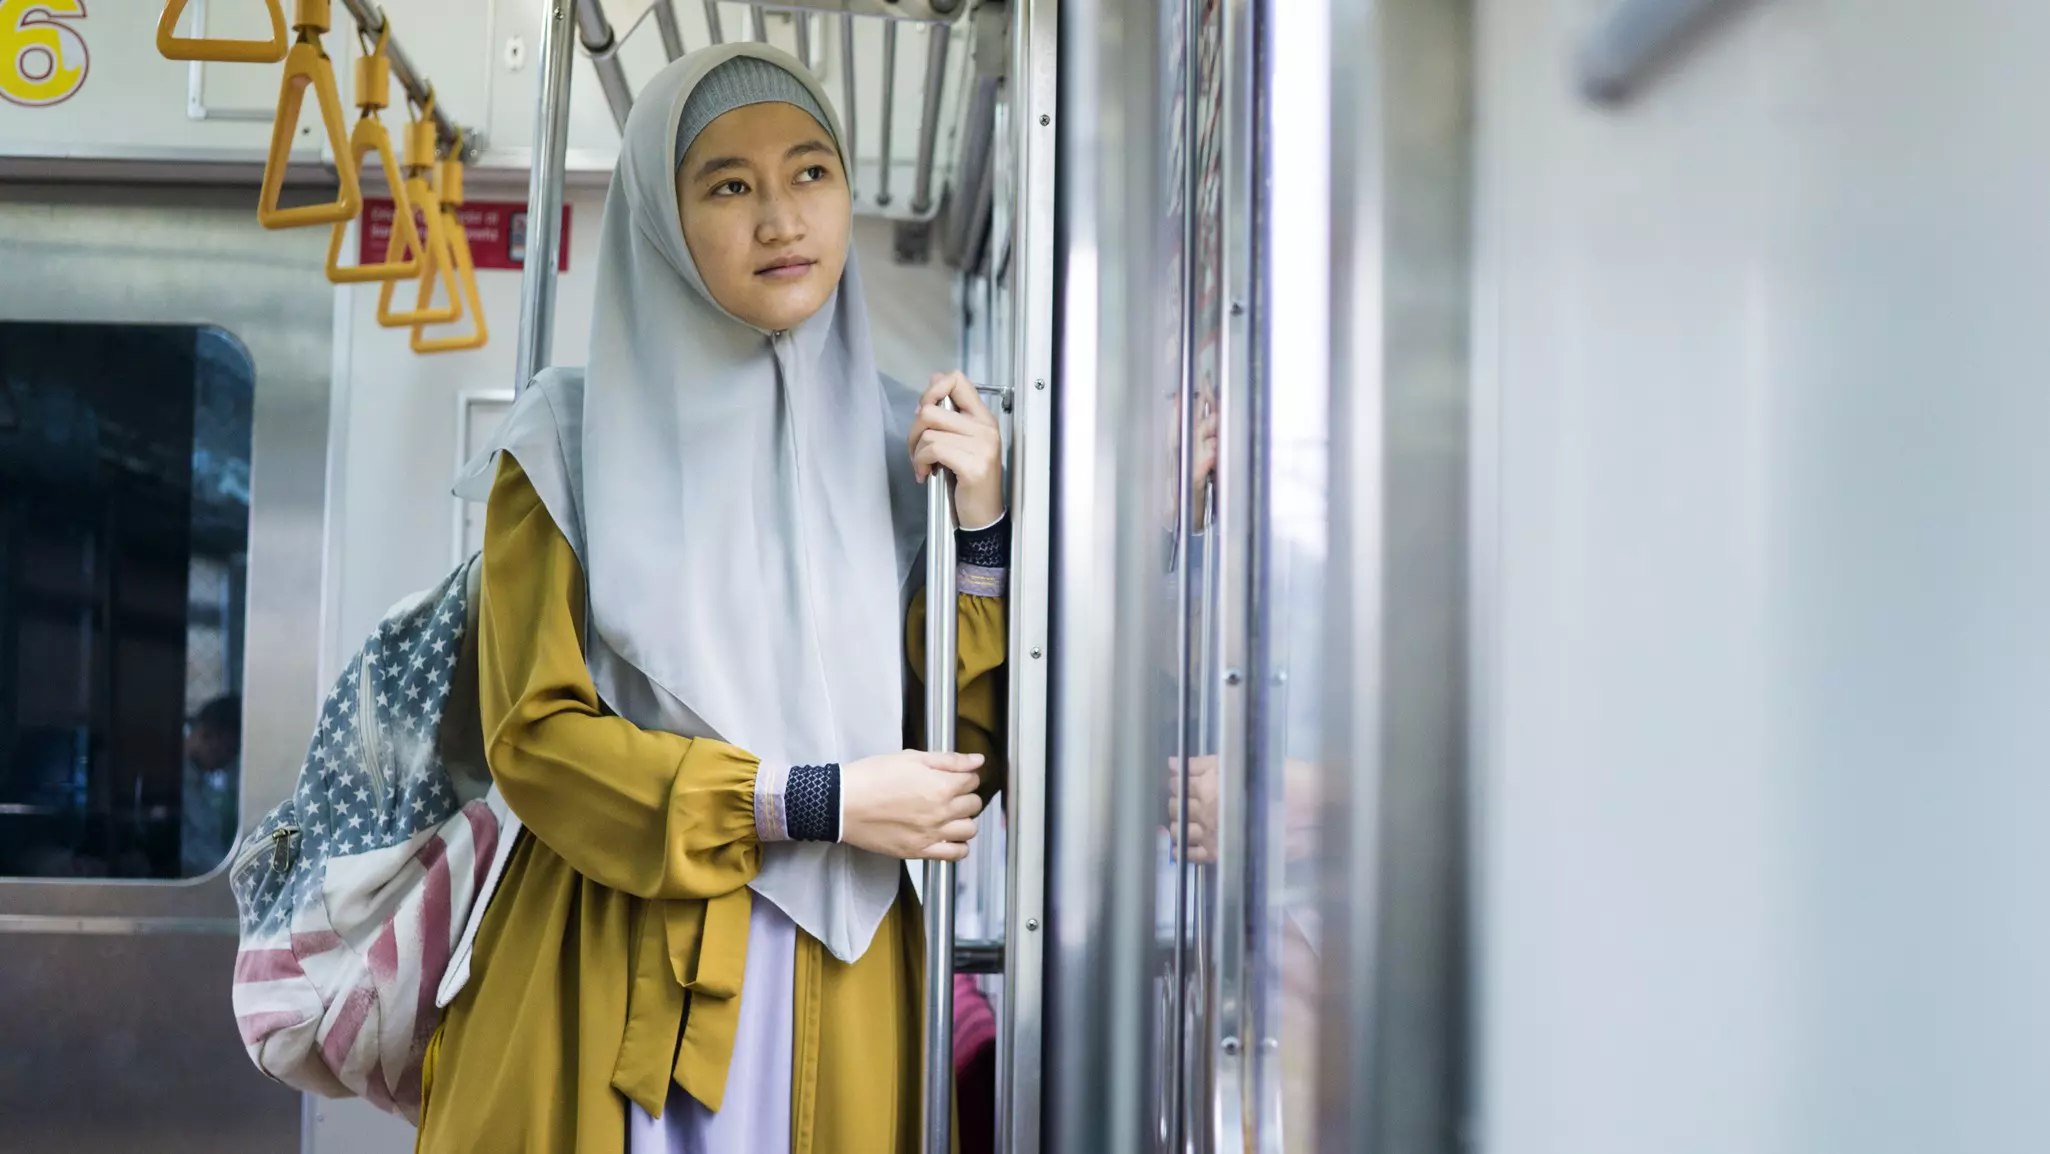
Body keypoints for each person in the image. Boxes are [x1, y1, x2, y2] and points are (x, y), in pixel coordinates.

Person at [417, 45, 1010, 1153]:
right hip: (610, 961)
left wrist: (980, 530)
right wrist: (811, 799)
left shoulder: (913, 445)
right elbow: (536, 742)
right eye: (728, 185)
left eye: (810, 172)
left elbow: (965, 762)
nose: (781, 218)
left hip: (851, 968)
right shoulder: (563, 443)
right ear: (662, 217)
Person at [180, 694, 241, 877]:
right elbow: (194, 855)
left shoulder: (200, 785)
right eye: (230, 750)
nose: (229, 761)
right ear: (206, 736)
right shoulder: (178, 786)